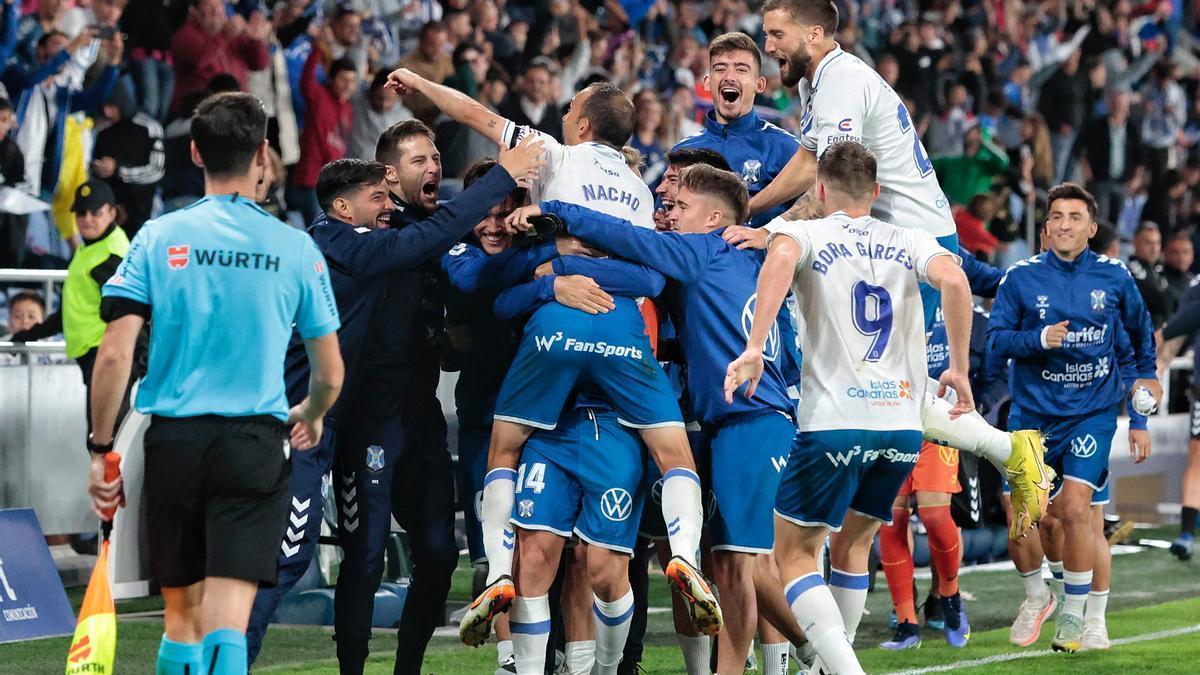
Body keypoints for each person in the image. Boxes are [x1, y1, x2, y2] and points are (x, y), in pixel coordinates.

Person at [386, 67, 718, 646]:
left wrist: (420, 83)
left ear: (583, 123)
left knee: (504, 446)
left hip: (555, 328)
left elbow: (475, 112)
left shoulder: (555, 156)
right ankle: (686, 554)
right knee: (673, 451)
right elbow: (648, 274)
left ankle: (494, 569)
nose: (561, 114)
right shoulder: (642, 193)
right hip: (619, 328)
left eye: (570, 109)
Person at [727, 0, 1051, 537]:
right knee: (888, 379)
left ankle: (1011, 451)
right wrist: (752, 206)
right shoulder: (821, 83)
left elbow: (828, 185)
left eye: (776, 35)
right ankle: (1010, 453)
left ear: (813, 33)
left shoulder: (841, 83)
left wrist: (770, 231)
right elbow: (810, 160)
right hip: (883, 235)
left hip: (908, 239)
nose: (770, 48)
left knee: (888, 384)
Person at [508, 163, 805, 675]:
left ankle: (812, 656)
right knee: (741, 565)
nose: (669, 214)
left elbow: (627, 241)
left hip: (747, 421)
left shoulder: (704, 249)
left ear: (714, 217)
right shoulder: (745, 261)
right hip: (757, 418)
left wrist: (556, 221)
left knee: (742, 567)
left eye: (680, 207)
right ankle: (805, 653)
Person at [87, 92, 344, 675]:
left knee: (182, 619)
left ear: (197, 152)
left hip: (175, 443)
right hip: (254, 445)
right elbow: (330, 372)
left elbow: (113, 357)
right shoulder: (296, 246)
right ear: (262, 156)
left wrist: (102, 451)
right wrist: (313, 412)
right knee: (229, 620)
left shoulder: (157, 236)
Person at [724, 141, 975, 675]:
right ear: (877, 191)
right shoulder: (910, 238)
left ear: (819, 190)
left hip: (833, 423)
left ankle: (841, 668)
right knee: (854, 547)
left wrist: (753, 346)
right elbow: (955, 280)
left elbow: (782, 257)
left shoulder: (805, 231)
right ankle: (827, 666)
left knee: (790, 556)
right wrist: (958, 367)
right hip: (902, 428)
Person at [988, 182, 1160, 653]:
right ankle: (1037, 596)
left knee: (1075, 510)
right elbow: (998, 339)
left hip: (1091, 412)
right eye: (1057, 217)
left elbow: (1140, 342)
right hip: (1032, 414)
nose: (1065, 224)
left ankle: (1078, 614)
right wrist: (1038, 340)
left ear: (1092, 227)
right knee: (1026, 519)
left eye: (1075, 217)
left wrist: (1144, 404)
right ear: (1045, 229)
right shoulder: (1019, 278)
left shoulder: (1114, 277)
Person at [13, 180, 141, 433]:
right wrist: (30, 334)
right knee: (101, 438)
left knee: (106, 441)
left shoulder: (110, 256)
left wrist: (141, 357)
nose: (87, 219)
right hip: (97, 356)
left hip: (107, 357)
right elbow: (73, 310)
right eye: (81, 213)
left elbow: (135, 310)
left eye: (96, 212)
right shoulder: (92, 248)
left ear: (113, 213)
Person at [670, 32, 801, 227]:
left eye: (741, 70)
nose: (729, 77)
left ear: (759, 84)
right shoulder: (683, 151)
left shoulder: (786, 149)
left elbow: (811, 212)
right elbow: (666, 213)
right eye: (720, 69)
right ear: (708, 82)